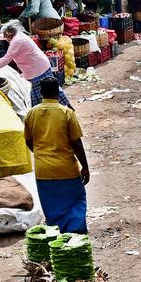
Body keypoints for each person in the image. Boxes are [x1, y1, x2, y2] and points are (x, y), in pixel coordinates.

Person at [24, 77, 91, 234]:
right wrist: (85, 166)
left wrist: (41, 154)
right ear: (58, 91)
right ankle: (75, 232)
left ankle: (56, 233)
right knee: (76, 199)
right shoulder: (66, 113)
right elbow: (76, 143)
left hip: (43, 170)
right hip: (66, 167)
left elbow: (28, 141)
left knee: (51, 204)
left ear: (41, 92)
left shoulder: (31, 114)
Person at [0, 21, 71, 108]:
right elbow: (1, 36)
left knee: (46, 92)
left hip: (37, 69)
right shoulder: (17, 34)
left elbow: (7, 58)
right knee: (51, 89)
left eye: (5, 35)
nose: (5, 38)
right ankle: (65, 106)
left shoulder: (17, 41)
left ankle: (56, 109)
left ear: (9, 33)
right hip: (38, 67)